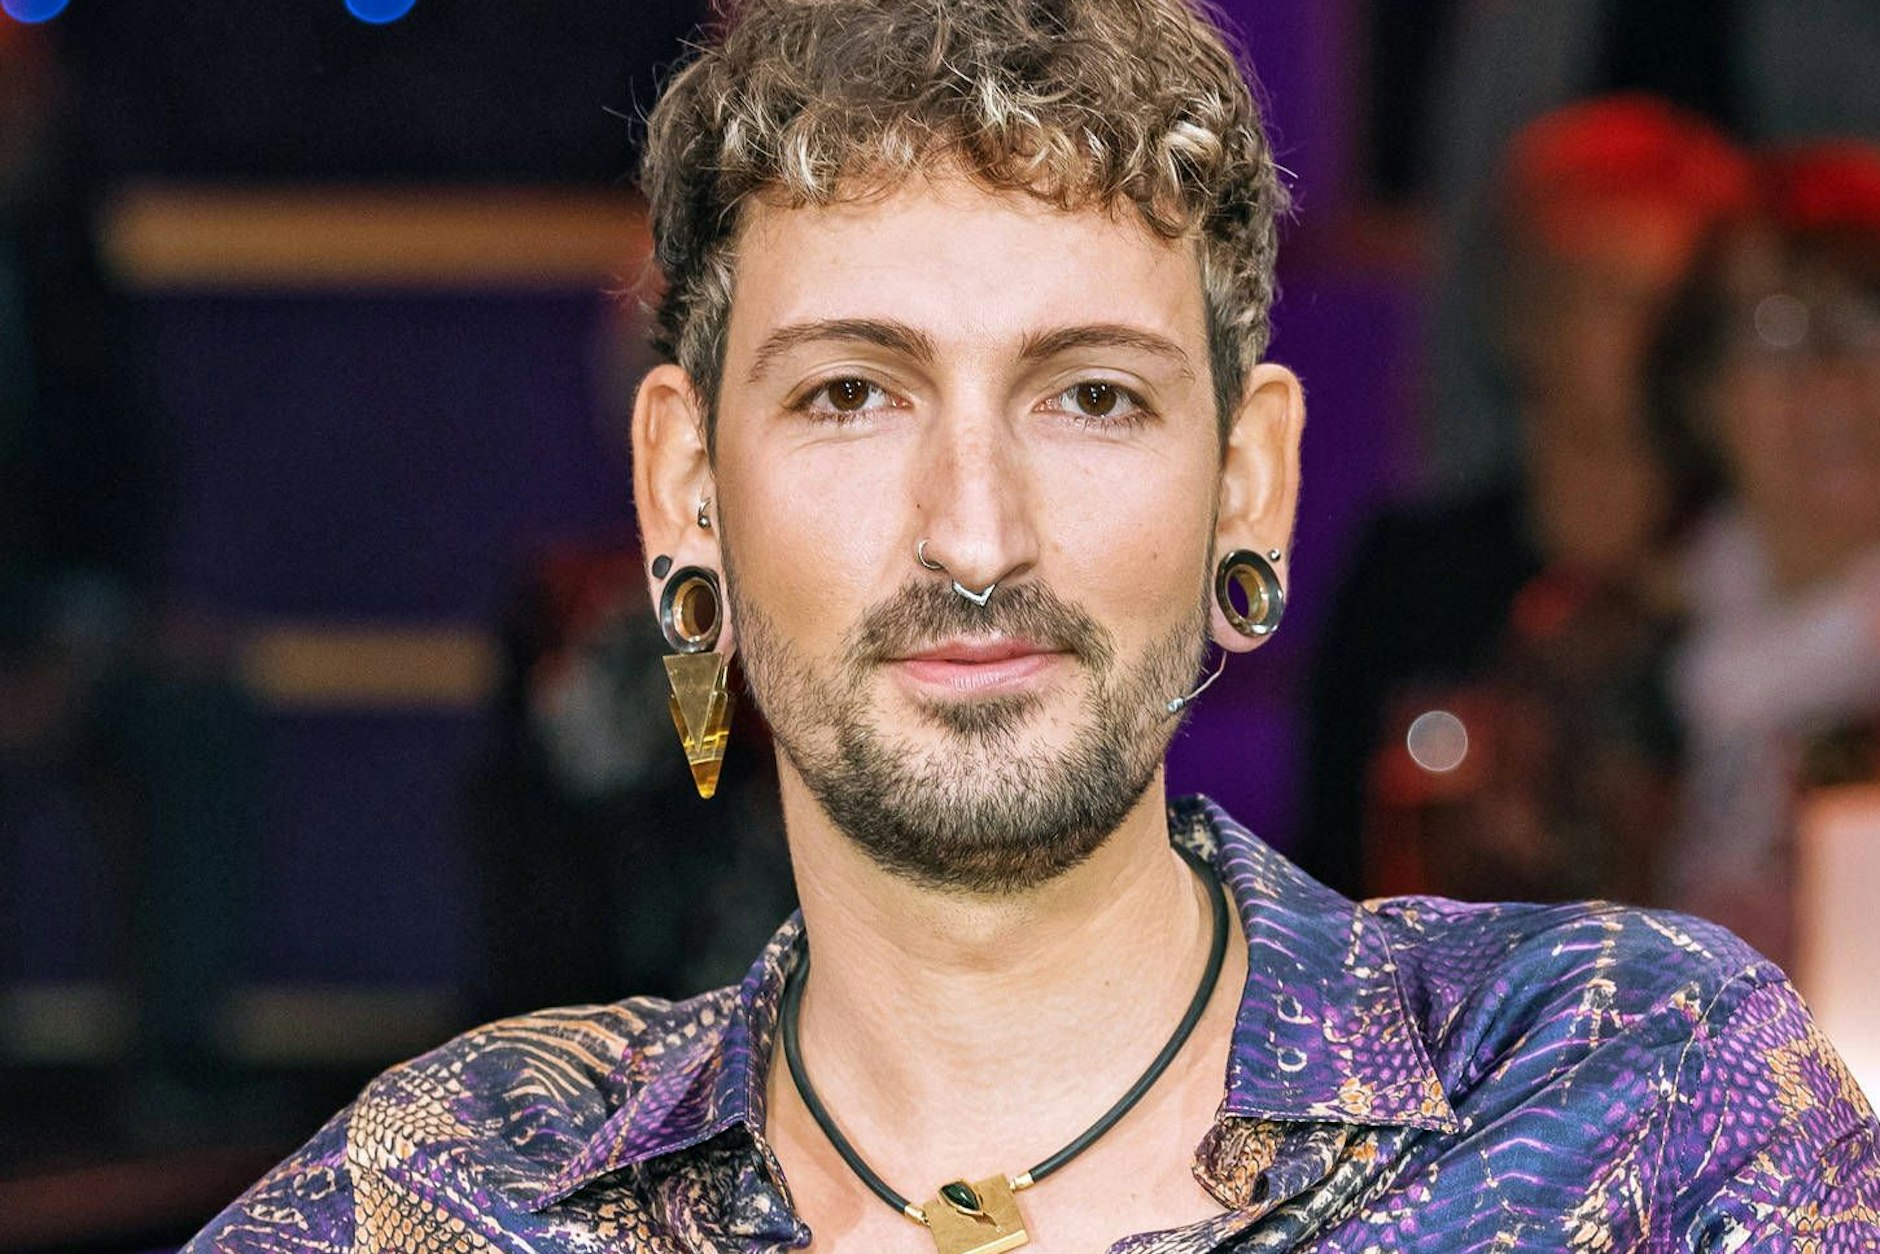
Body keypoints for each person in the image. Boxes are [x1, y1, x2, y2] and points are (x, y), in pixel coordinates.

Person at [188, 2, 1878, 1250]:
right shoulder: (466, 1190)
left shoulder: (1627, 1097)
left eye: (1090, 397)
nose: (978, 533)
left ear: (1251, 482)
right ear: (685, 489)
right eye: (852, 393)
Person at [1299, 97, 1752, 901]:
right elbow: (1325, 869)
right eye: (1617, 297)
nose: (1660, 341)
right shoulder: (1415, 577)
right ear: (1522, 316)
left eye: (1682, 307)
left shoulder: (1748, 571)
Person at [1650, 140, 1880, 967]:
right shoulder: (1604, 655)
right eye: (1779, 330)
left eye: (1870, 323)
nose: (1832, 379)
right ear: (1698, 389)